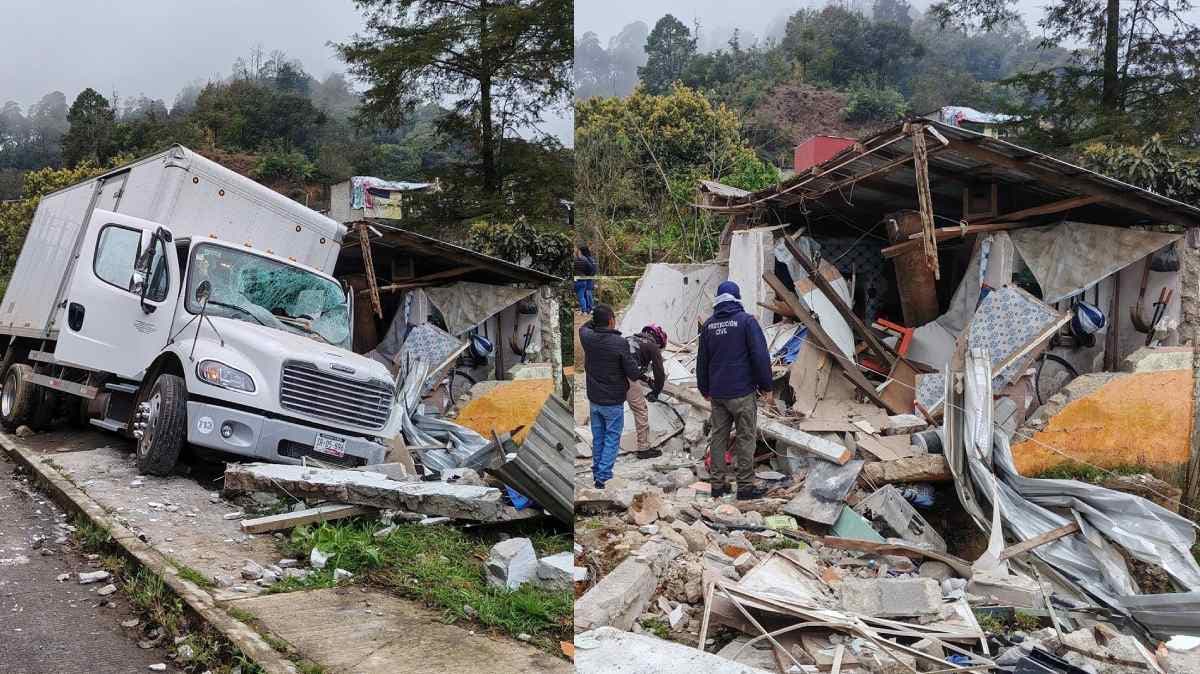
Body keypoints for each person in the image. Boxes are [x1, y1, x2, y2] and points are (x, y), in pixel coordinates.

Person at [697, 281, 773, 500]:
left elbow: (702, 361)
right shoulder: (746, 322)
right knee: (745, 438)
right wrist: (766, 385)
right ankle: (745, 487)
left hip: (718, 394)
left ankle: (717, 486)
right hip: (742, 392)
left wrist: (704, 388)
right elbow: (760, 356)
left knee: (718, 438)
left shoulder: (709, 325)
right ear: (737, 298)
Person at [579, 304, 638, 488]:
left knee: (598, 438)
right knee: (611, 438)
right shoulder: (619, 343)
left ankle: (597, 472)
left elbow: (584, 327)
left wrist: (595, 321)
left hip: (594, 399)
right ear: (611, 320)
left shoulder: (587, 337)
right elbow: (633, 373)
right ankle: (603, 477)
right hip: (613, 401)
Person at [625, 324, 667, 460]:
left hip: (611, 376)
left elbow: (631, 364)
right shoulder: (652, 346)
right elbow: (659, 373)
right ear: (658, 341)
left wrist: (646, 379)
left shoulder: (630, 339)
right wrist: (656, 392)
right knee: (641, 410)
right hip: (626, 377)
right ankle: (643, 448)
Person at [574, 245, 597, 313]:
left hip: (587, 278)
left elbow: (592, 269)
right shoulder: (589, 258)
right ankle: (588, 308)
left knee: (587, 293)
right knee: (587, 293)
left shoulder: (587, 259)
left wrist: (587, 275)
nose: (580, 252)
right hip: (587, 278)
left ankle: (589, 308)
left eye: (580, 251)